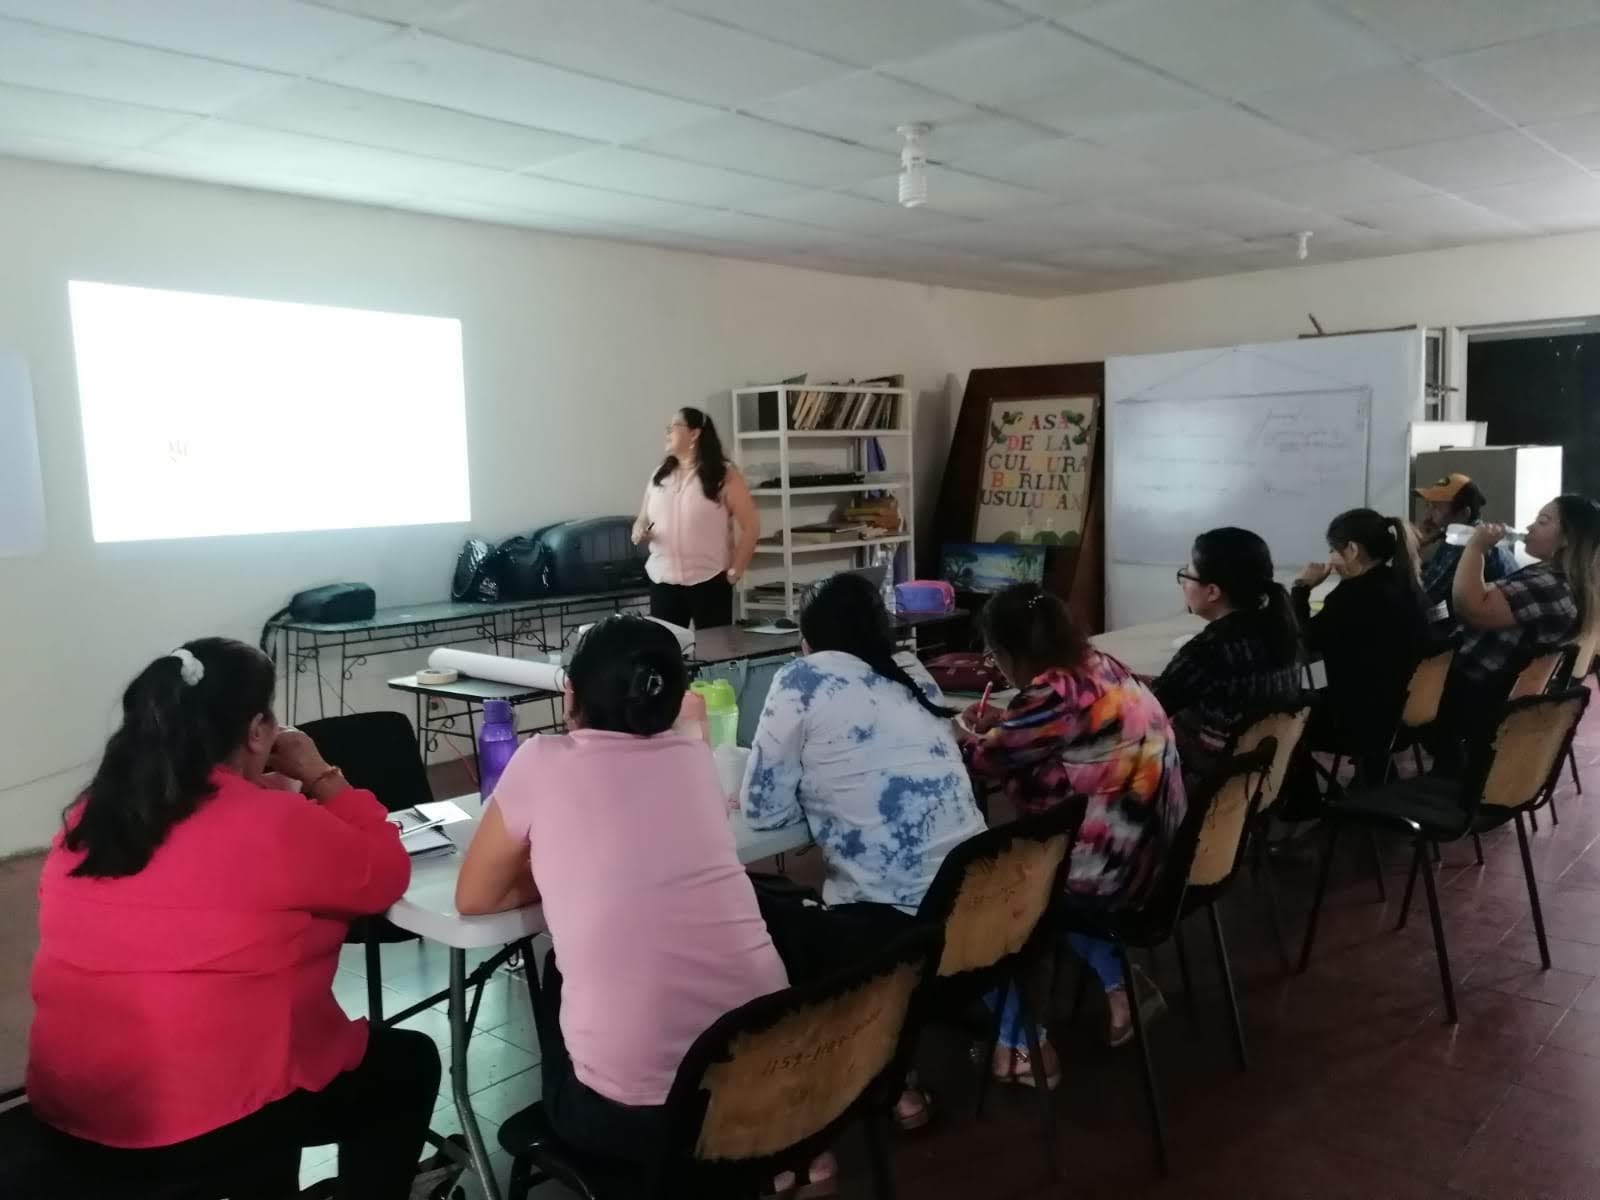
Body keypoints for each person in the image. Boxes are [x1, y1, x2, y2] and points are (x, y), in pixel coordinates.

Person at [27, 638, 434, 1200]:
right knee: (407, 1065)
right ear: (258, 731)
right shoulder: (272, 823)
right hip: (197, 1127)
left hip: (71, 1111)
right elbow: (385, 873)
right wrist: (321, 776)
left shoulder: (89, 817)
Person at [453, 617, 800, 1182]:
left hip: (642, 1118)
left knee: (555, 971)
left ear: (571, 692)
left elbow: (474, 896)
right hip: (763, 1070)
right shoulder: (692, 759)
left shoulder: (542, 760)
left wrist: (566, 867)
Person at [742, 571, 986, 1129]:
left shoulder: (800, 679)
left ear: (808, 635)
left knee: (764, 916)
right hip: (978, 908)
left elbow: (762, 812)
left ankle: (869, 1079)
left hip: (890, 927)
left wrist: (822, 789)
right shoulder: (911, 670)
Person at [958, 585, 1187, 1082]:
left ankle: (1018, 1041)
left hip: (1112, 869)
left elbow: (980, 762)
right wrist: (1012, 722)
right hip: (1165, 851)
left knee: (988, 894)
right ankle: (1120, 982)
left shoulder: (1050, 693)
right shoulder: (1103, 666)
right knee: (1046, 868)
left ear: (1010, 651)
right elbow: (1070, 734)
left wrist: (974, 733)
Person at [1435, 495, 1600, 770]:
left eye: (1543, 521)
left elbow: (1470, 606)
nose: (1530, 527)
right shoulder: (1562, 580)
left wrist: (1475, 548)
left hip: (1474, 697)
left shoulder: (1550, 585)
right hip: (1494, 696)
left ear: (1567, 539)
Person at [1153, 527, 1304, 790]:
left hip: (1203, 789)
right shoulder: (1284, 632)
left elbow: (1151, 710)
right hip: (1258, 784)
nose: (1184, 584)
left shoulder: (1210, 649)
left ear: (1212, 592)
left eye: (1187, 575)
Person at [1291, 509, 1431, 781]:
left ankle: (1301, 801)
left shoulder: (1353, 596)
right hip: (1402, 716)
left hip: (1358, 722)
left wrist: (1300, 588)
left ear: (1352, 550)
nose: (1330, 559)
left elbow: (1302, 641)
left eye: (1333, 550)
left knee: (1284, 708)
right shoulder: (1404, 584)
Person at [632, 407, 759, 630]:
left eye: (673, 427)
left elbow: (751, 526)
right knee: (667, 655)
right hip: (663, 581)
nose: (667, 432)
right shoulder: (660, 474)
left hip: (710, 582)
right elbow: (642, 518)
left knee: (714, 654)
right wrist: (639, 530)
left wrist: (734, 573)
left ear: (694, 433)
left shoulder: (724, 474)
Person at [1415, 473, 1517, 623]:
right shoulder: (1472, 534)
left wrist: (1414, 546)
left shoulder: (1464, 542)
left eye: (1436, 508)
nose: (1427, 516)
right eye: (1428, 506)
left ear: (1464, 513)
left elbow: (1425, 597)